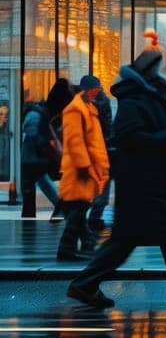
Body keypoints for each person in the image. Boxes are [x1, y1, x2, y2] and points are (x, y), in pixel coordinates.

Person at [63, 48, 166, 311]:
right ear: (149, 76)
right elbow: (131, 138)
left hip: (151, 185)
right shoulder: (133, 102)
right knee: (135, 241)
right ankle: (84, 284)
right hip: (145, 186)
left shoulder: (144, 98)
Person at [56, 76, 110, 262]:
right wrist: (85, 167)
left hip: (87, 168)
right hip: (80, 170)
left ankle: (85, 241)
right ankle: (67, 248)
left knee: (79, 209)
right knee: (78, 209)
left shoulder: (87, 109)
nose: (97, 93)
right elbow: (75, 141)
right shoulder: (75, 110)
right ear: (86, 90)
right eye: (95, 89)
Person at [19, 93, 61, 219]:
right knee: (40, 184)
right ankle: (59, 206)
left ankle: (29, 217)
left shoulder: (37, 114)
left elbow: (32, 134)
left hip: (32, 158)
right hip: (33, 158)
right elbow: (33, 134)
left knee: (33, 187)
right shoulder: (37, 115)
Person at [85, 81, 114, 230]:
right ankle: (94, 216)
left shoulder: (95, 103)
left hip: (98, 149)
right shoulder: (101, 101)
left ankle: (93, 216)